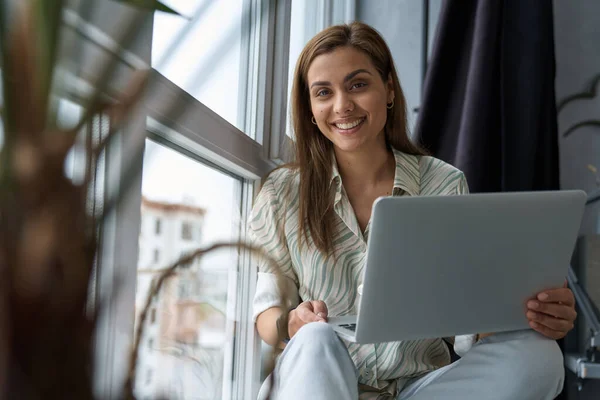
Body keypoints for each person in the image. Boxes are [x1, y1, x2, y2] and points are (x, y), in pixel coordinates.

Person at [249, 22, 577, 400]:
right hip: (318, 383)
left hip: (419, 390)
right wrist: (293, 322)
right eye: (324, 92)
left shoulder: (443, 183)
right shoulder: (282, 193)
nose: (342, 106)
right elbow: (267, 318)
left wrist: (534, 314)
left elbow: (465, 321)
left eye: (358, 84)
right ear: (310, 108)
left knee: (540, 356)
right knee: (316, 339)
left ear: (388, 90)